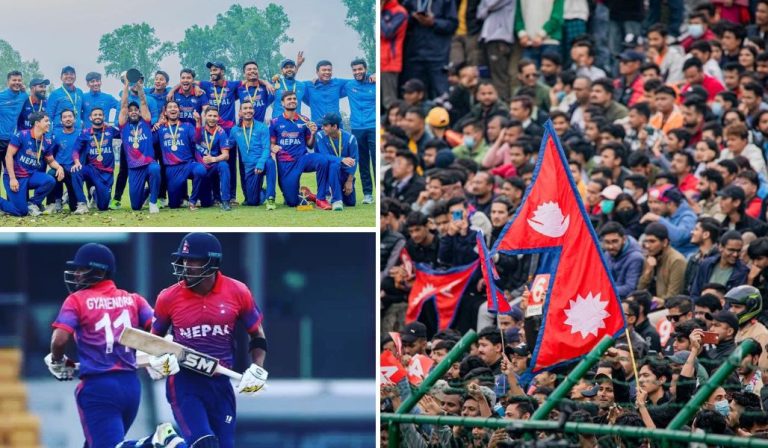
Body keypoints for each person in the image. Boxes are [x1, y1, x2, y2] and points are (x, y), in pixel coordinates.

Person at [46, 243, 184, 448]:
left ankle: (155, 441)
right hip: (131, 387)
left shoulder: (76, 300)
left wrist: (57, 361)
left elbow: (59, 340)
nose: (76, 274)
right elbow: (161, 331)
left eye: (81, 269)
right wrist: (159, 356)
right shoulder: (133, 300)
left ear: (99, 271)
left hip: (98, 387)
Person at [150, 233, 268, 448]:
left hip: (220, 382)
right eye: (184, 260)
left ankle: (168, 443)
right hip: (185, 381)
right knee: (205, 443)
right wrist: (158, 361)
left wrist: (257, 368)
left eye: (193, 260)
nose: (187, 266)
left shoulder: (238, 291)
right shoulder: (168, 297)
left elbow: (257, 334)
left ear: (211, 262)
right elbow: (151, 341)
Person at [269, 91, 342, 210]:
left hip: (303, 158)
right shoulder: (275, 122)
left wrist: (313, 134)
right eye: (289, 99)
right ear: (282, 103)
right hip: (286, 163)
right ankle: (308, 195)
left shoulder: (304, 120)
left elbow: (310, 145)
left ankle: (321, 198)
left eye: (294, 98)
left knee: (322, 160)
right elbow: (271, 144)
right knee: (292, 202)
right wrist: (273, 147)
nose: (292, 100)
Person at [0, 111, 64, 216]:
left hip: (30, 176)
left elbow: (51, 161)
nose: (49, 124)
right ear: (37, 123)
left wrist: (59, 167)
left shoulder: (47, 142)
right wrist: (12, 178)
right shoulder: (22, 135)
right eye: (46, 121)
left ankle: (32, 203)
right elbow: (8, 156)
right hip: (16, 178)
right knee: (21, 212)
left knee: (50, 180)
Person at [153, 98, 204, 211]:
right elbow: (150, 142)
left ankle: (193, 201)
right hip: (172, 168)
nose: (173, 109)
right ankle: (149, 191)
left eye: (175, 107)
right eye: (170, 107)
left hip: (188, 164)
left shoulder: (187, 126)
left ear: (179, 110)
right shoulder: (160, 128)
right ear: (165, 112)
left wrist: (198, 122)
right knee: (174, 205)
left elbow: (197, 139)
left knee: (200, 169)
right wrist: (154, 126)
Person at [117, 79, 160, 213]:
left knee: (155, 168)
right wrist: (126, 85)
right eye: (131, 111)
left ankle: (153, 202)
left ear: (140, 112)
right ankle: (147, 192)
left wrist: (140, 88)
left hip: (148, 164)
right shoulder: (124, 126)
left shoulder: (146, 122)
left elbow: (143, 102)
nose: (134, 112)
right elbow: (124, 105)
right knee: (135, 206)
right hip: (134, 168)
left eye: (136, 110)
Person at [71, 106, 121, 213]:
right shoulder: (85, 133)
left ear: (104, 117)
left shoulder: (110, 130)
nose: (97, 116)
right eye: (95, 115)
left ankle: (94, 192)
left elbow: (124, 133)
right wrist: (76, 161)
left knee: (103, 207)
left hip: (107, 173)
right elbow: (75, 149)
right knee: (76, 170)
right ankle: (82, 203)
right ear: (90, 118)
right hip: (92, 169)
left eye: (100, 115)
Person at [230, 100, 276, 209]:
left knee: (270, 163)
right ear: (240, 112)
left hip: (263, 163)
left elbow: (266, 148)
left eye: (250, 108)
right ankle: (263, 190)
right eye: (245, 108)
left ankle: (270, 198)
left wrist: (260, 163)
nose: (248, 110)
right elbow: (228, 145)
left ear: (253, 111)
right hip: (250, 168)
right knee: (252, 202)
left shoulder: (262, 127)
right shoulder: (235, 130)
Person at [343, 59, 376, 205]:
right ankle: (368, 193)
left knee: (377, 160)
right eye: (354, 70)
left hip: (374, 126)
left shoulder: (374, 82)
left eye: (360, 69)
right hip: (357, 128)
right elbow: (329, 80)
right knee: (362, 161)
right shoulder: (349, 85)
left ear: (365, 68)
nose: (357, 72)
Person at [637, 222, 687, 307]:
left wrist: (656, 302)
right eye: (646, 241)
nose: (648, 246)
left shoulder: (677, 260)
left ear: (664, 242)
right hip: (650, 304)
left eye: (652, 241)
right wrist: (648, 271)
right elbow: (640, 290)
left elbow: (674, 296)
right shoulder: (650, 257)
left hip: (668, 307)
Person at [314, 112, 358, 208]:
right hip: (328, 173)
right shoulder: (320, 136)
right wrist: (342, 159)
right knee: (334, 165)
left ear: (334, 126)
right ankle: (336, 200)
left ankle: (315, 196)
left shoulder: (350, 138)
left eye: (325, 125)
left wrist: (349, 181)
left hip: (344, 174)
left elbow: (354, 161)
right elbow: (324, 156)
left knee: (351, 203)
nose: (322, 127)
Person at [690, 231, 749, 300]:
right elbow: (695, 292)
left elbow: (735, 301)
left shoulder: (742, 272)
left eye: (738, 251)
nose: (735, 254)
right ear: (720, 247)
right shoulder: (706, 264)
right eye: (731, 250)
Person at [600, 222, 644, 299]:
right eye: (607, 242)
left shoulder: (635, 258)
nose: (611, 246)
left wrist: (603, 291)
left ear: (624, 239)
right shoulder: (607, 254)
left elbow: (630, 288)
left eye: (615, 241)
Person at [47, 66, 83, 131]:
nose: (69, 76)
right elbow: (48, 116)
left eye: (71, 74)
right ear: (61, 77)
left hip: (77, 131)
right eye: (66, 74)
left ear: (75, 77)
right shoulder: (55, 94)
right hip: (60, 132)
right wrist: (48, 136)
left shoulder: (79, 92)